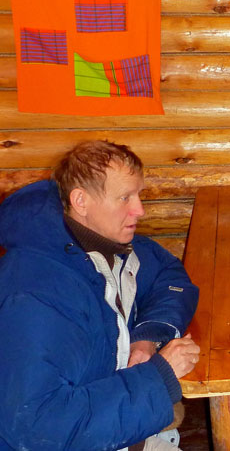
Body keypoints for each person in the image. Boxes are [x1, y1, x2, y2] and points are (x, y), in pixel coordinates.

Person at [0, 140, 201, 450]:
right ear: (81, 201)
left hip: (119, 430)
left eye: (139, 194)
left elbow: (170, 278)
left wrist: (147, 335)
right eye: (125, 198)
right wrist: (160, 377)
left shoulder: (111, 249)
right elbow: (37, 430)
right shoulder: (35, 295)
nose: (140, 210)